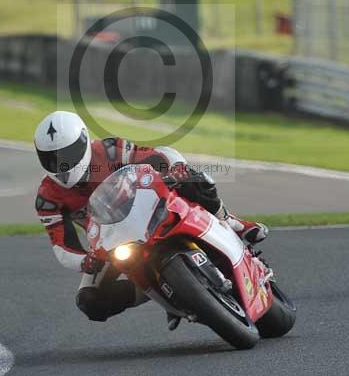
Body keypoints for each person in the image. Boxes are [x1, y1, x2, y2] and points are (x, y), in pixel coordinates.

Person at [34, 110, 268, 326]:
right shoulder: (48, 198)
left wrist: (175, 167)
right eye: (51, 158)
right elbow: (62, 246)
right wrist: (84, 261)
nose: (61, 164)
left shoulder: (109, 151)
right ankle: (170, 295)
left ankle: (234, 224)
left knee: (195, 180)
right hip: (110, 242)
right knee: (90, 301)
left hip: (149, 209)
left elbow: (158, 155)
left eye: (67, 154)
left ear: (83, 143)